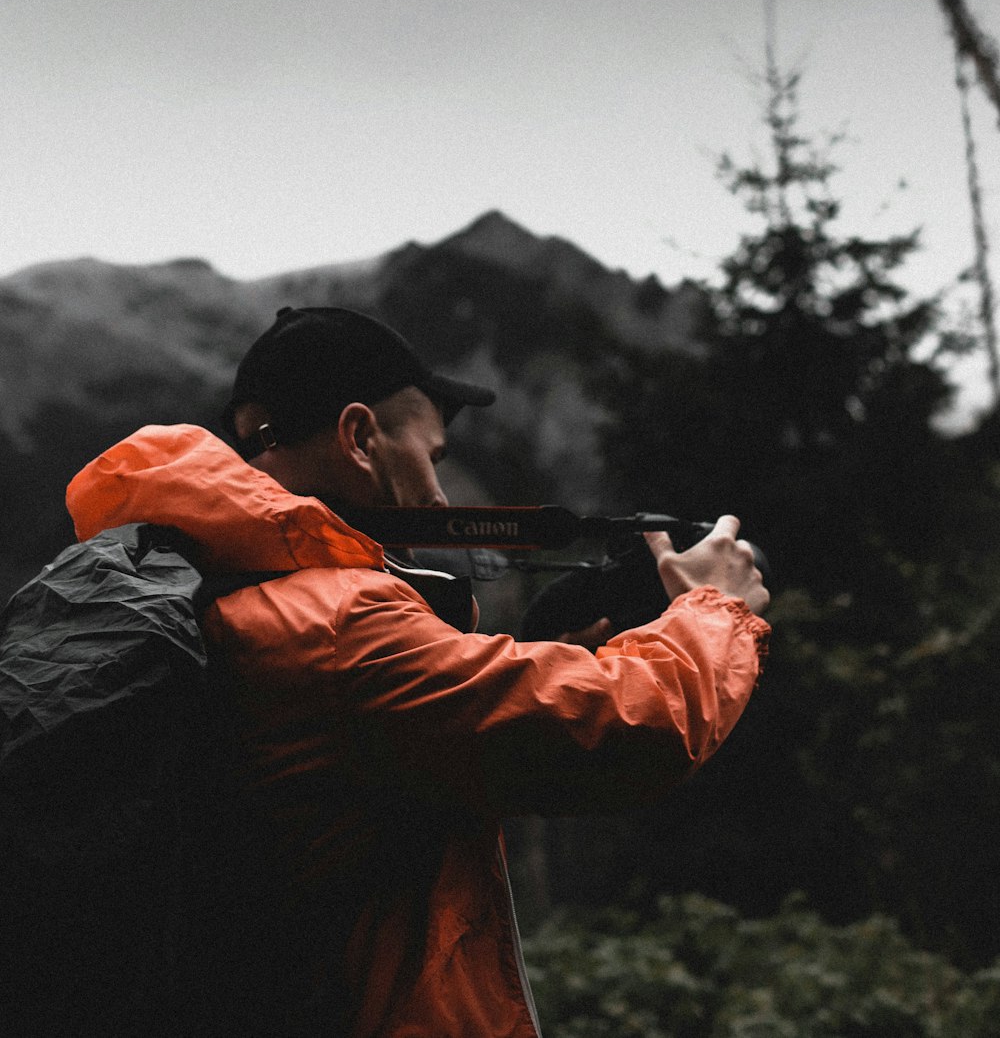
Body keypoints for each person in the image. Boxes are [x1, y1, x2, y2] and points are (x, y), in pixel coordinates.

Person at [66, 305, 770, 1038]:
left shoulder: (210, 585)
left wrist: (549, 652)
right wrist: (715, 608)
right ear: (360, 436)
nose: (438, 496)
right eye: (430, 458)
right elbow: (628, 726)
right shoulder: (338, 627)